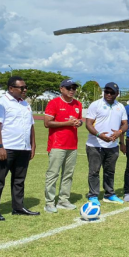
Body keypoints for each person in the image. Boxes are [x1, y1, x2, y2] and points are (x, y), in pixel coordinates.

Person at [0, 75, 38, 220]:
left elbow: (31, 125)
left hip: (23, 148)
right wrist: (0, 146)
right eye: (21, 87)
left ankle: (18, 207)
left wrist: (32, 145)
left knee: (19, 180)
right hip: (7, 148)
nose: (25, 90)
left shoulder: (25, 104)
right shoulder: (1, 103)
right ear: (11, 88)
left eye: (25, 87)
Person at [43, 79, 83, 213]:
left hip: (72, 145)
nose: (72, 90)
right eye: (68, 88)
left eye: (73, 88)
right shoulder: (54, 103)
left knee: (68, 174)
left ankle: (63, 200)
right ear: (61, 89)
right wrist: (68, 123)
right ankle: (49, 202)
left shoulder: (78, 104)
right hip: (57, 144)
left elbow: (79, 120)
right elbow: (47, 123)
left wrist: (78, 123)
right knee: (53, 174)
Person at [85, 82, 128, 205]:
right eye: (106, 91)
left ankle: (109, 194)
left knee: (110, 171)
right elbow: (88, 124)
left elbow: (125, 124)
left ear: (117, 94)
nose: (108, 94)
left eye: (111, 92)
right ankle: (93, 195)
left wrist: (119, 132)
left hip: (112, 146)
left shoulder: (120, 106)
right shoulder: (96, 104)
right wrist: (99, 135)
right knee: (94, 171)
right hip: (95, 145)